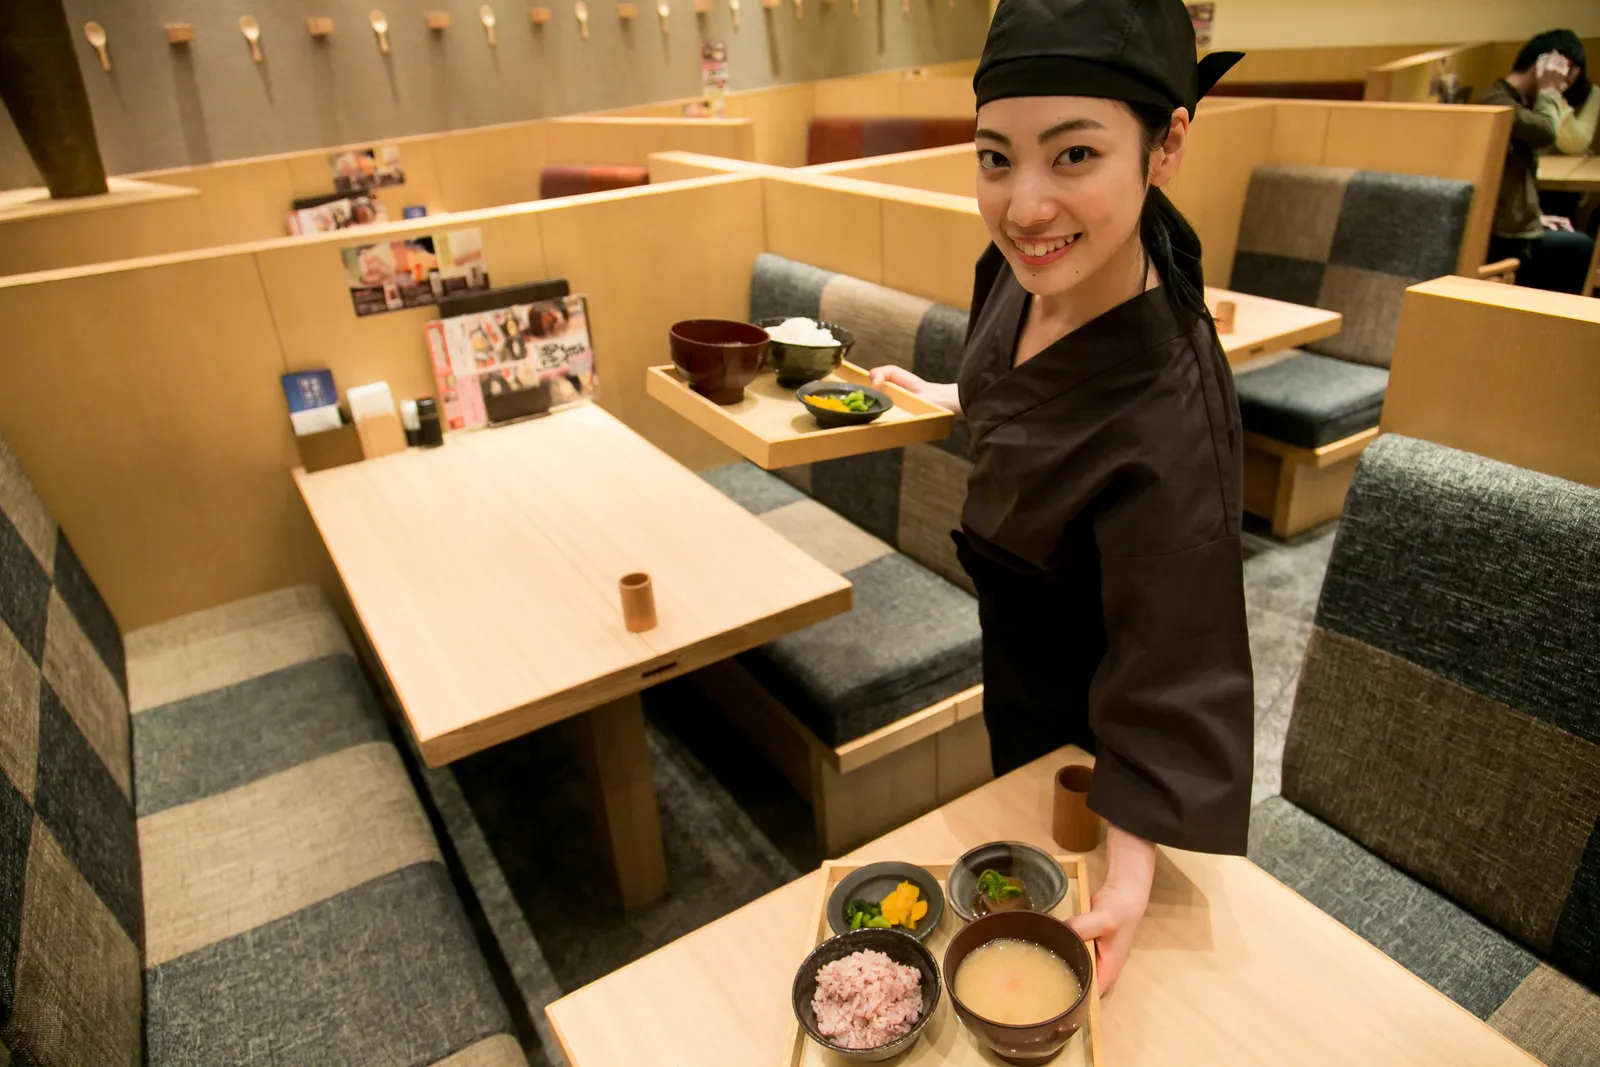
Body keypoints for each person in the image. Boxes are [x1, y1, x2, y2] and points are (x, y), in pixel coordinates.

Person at [870, 0, 1252, 992]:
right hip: (1012, 637)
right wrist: (961, 391)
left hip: (1092, 718)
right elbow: (1030, 391)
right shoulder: (1020, 273)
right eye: (995, 157)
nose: (1024, 204)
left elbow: (1172, 653)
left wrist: (1129, 873)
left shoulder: (1169, 407)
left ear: (1166, 142)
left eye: (1073, 155)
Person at [1480, 31, 1596, 293]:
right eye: (1562, 80)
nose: (1562, 90)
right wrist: (1548, 91)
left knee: (1577, 238)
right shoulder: (1498, 104)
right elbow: (1546, 132)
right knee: (1582, 249)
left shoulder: (1511, 101)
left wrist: (1537, 218)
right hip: (1506, 243)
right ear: (1542, 65)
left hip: (1516, 229)